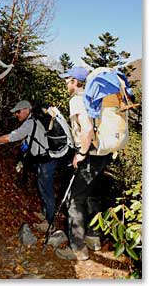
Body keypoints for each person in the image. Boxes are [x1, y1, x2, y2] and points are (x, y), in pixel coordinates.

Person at [0, 100, 72, 232]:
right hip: (46, 159)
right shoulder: (36, 120)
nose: (16, 115)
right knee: (43, 187)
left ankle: (49, 222)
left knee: (46, 190)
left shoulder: (31, 122)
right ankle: (46, 213)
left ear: (26, 110)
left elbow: (10, 137)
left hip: (47, 161)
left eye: (18, 112)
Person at [55, 67, 112, 261]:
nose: (65, 83)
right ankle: (93, 238)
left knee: (75, 200)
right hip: (102, 153)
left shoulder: (77, 100)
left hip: (89, 154)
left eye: (67, 80)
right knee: (92, 195)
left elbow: (86, 129)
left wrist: (80, 153)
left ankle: (78, 249)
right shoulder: (94, 98)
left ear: (74, 81)